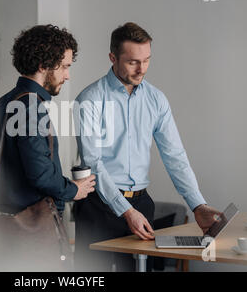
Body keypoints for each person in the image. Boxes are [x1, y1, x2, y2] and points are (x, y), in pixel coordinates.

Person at [73, 22, 222, 272]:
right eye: (133, 61)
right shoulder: (89, 99)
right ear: (113, 57)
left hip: (141, 206)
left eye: (147, 60)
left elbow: (175, 156)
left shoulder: (156, 100)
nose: (141, 68)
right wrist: (125, 210)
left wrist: (198, 205)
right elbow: (93, 163)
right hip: (98, 206)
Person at [0, 24, 96, 270]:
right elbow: (41, 175)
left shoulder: (2, 104)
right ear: (43, 65)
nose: (68, 75)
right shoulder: (30, 108)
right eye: (65, 66)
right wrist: (73, 190)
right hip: (34, 232)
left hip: (6, 229)